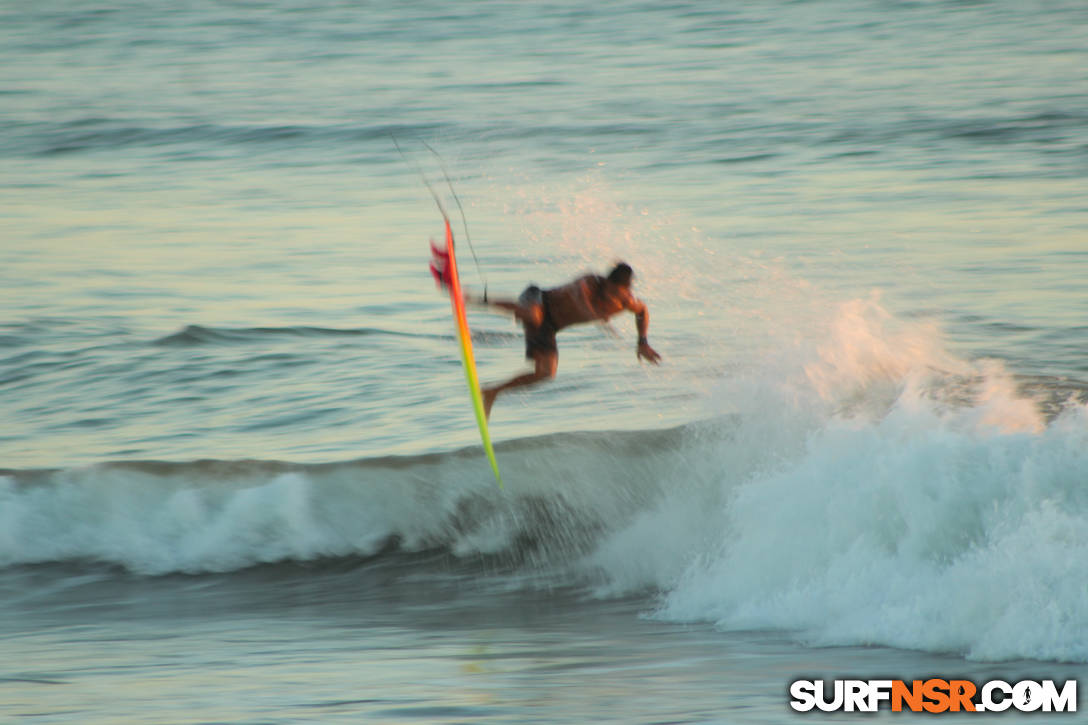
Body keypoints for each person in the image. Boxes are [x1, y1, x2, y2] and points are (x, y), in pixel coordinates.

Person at [470, 262, 661, 418]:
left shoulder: (627, 302)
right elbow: (579, 294)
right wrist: (595, 314)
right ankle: (477, 300)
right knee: (533, 315)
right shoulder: (591, 282)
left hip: (550, 327)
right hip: (537, 299)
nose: (609, 294)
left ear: (625, 289)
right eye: (608, 288)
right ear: (606, 280)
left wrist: (642, 341)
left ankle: (492, 391)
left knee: (546, 373)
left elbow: (643, 312)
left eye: (615, 292)